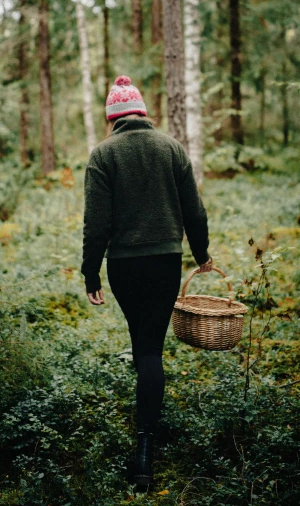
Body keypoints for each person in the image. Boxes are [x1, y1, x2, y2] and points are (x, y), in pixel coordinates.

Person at [81, 75, 212, 488]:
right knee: (152, 347)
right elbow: (196, 212)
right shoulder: (171, 147)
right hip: (165, 262)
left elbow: (95, 225)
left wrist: (91, 271)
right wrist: (202, 254)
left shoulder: (103, 155)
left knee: (142, 343)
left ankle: (142, 451)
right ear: (141, 112)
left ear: (112, 118)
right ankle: (147, 438)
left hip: (123, 266)